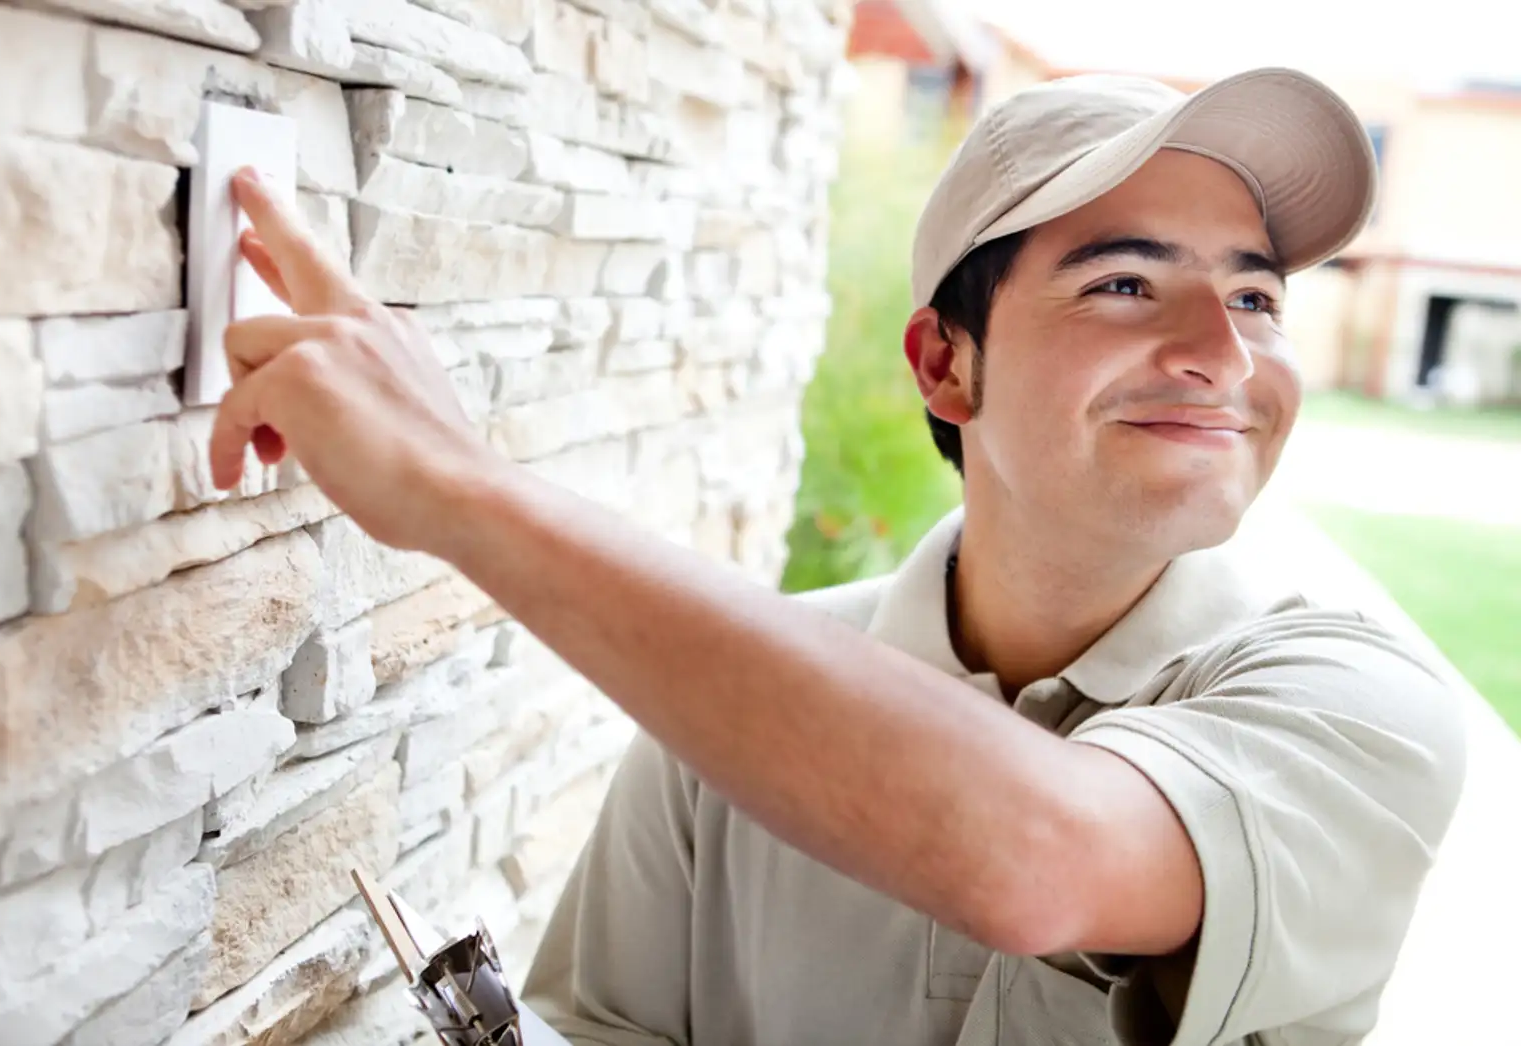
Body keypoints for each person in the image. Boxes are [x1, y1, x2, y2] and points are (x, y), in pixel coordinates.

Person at [211, 66, 1467, 1046]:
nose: (1223, 353)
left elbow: (1032, 857)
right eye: (1127, 284)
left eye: (1255, 297)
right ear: (942, 363)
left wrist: (456, 488)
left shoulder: (1355, 707)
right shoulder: (732, 723)